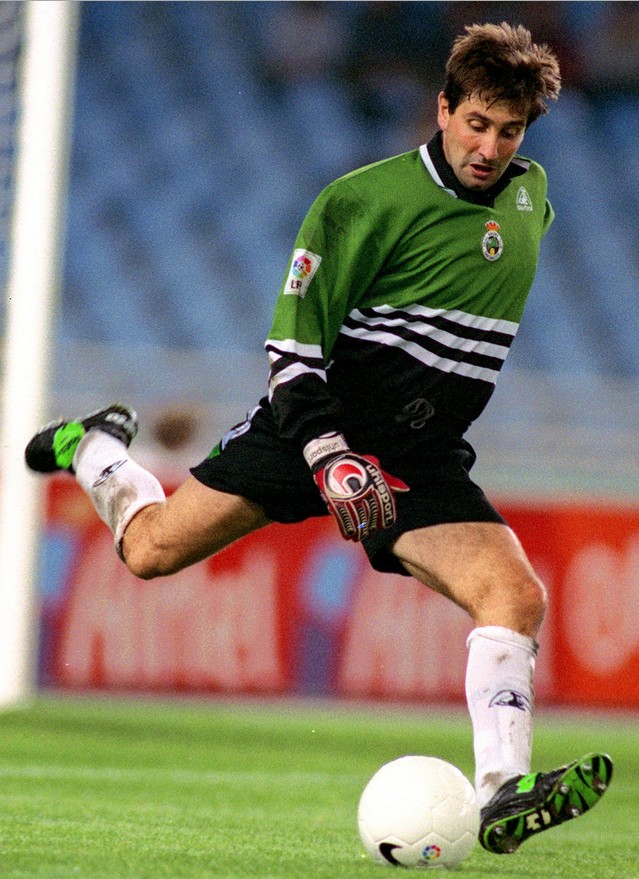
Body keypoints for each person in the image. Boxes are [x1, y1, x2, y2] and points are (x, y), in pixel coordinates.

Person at [26, 22, 612, 855]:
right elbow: (293, 350)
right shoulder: (361, 201)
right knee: (150, 551)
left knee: (514, 595)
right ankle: (95, 446)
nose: (488, 147)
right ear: (441, 108)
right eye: (475, 123)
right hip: (314, 429)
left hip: (417, 459)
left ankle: (501, 791)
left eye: (508, 131)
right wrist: (328, 454)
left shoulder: (530, 198)